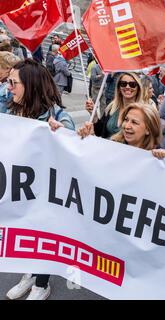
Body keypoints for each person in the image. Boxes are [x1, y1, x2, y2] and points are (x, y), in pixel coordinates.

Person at [5, 58, 75, 300]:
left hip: (46, 195)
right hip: (21, 191)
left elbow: (77, 159)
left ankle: (41, 283)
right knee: (25, 232)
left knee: (44, 236)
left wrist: (62, 137)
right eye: (7, 81)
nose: (8, 87)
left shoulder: (59, 118)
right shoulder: (9, 110)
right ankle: (29, 273)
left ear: (31, 85)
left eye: (13, 82)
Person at [85, 72, 143, 139]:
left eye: (132, 84)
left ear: (138, 88)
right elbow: (99, 131)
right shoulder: (112, 107)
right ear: (119, 87)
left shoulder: (142, 112)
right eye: (123, 84)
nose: (127, 87)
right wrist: (93, 113)